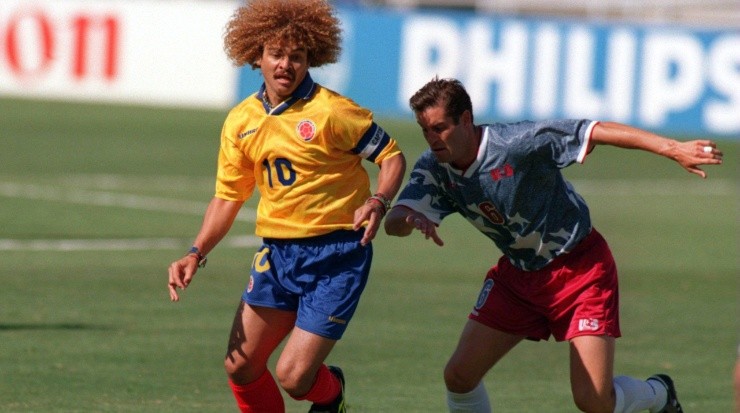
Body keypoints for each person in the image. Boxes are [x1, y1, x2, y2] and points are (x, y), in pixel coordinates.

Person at [385, 77, 723, 413]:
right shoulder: (435, 168)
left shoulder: (518, 142)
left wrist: (672, 148)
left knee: (593, 401)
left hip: (580, 270)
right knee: (458, 377)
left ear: (466, 119)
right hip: (519, 279)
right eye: (425, 130)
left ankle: (659, 394)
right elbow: (394, 221)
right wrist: (408, 219)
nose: (432, 139)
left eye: (440, 128)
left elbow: (594, 130)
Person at [167, 0, 406, 411]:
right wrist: (196, 251)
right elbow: (228, 197)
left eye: (297, 57)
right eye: (276, 54)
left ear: (311, 58)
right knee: (240, 366)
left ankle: (333, 397)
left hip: (337, 256)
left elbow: (392, 156)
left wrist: (379, 201)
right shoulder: (241, 121)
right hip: (278, 255)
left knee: (295, 378)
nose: (285, 65)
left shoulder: (333, 112)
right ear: (256, 55)